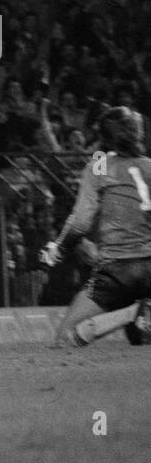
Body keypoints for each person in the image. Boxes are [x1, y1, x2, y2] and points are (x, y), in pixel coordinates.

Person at [40, 106, 151, 346]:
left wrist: (58, 249)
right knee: (142, 341)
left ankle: (132, 313)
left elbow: (81, 222)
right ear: (138, 133)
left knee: (64, 340)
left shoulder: (99, 164)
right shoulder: (149, 166)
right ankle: (139, 312)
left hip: (116, 270)